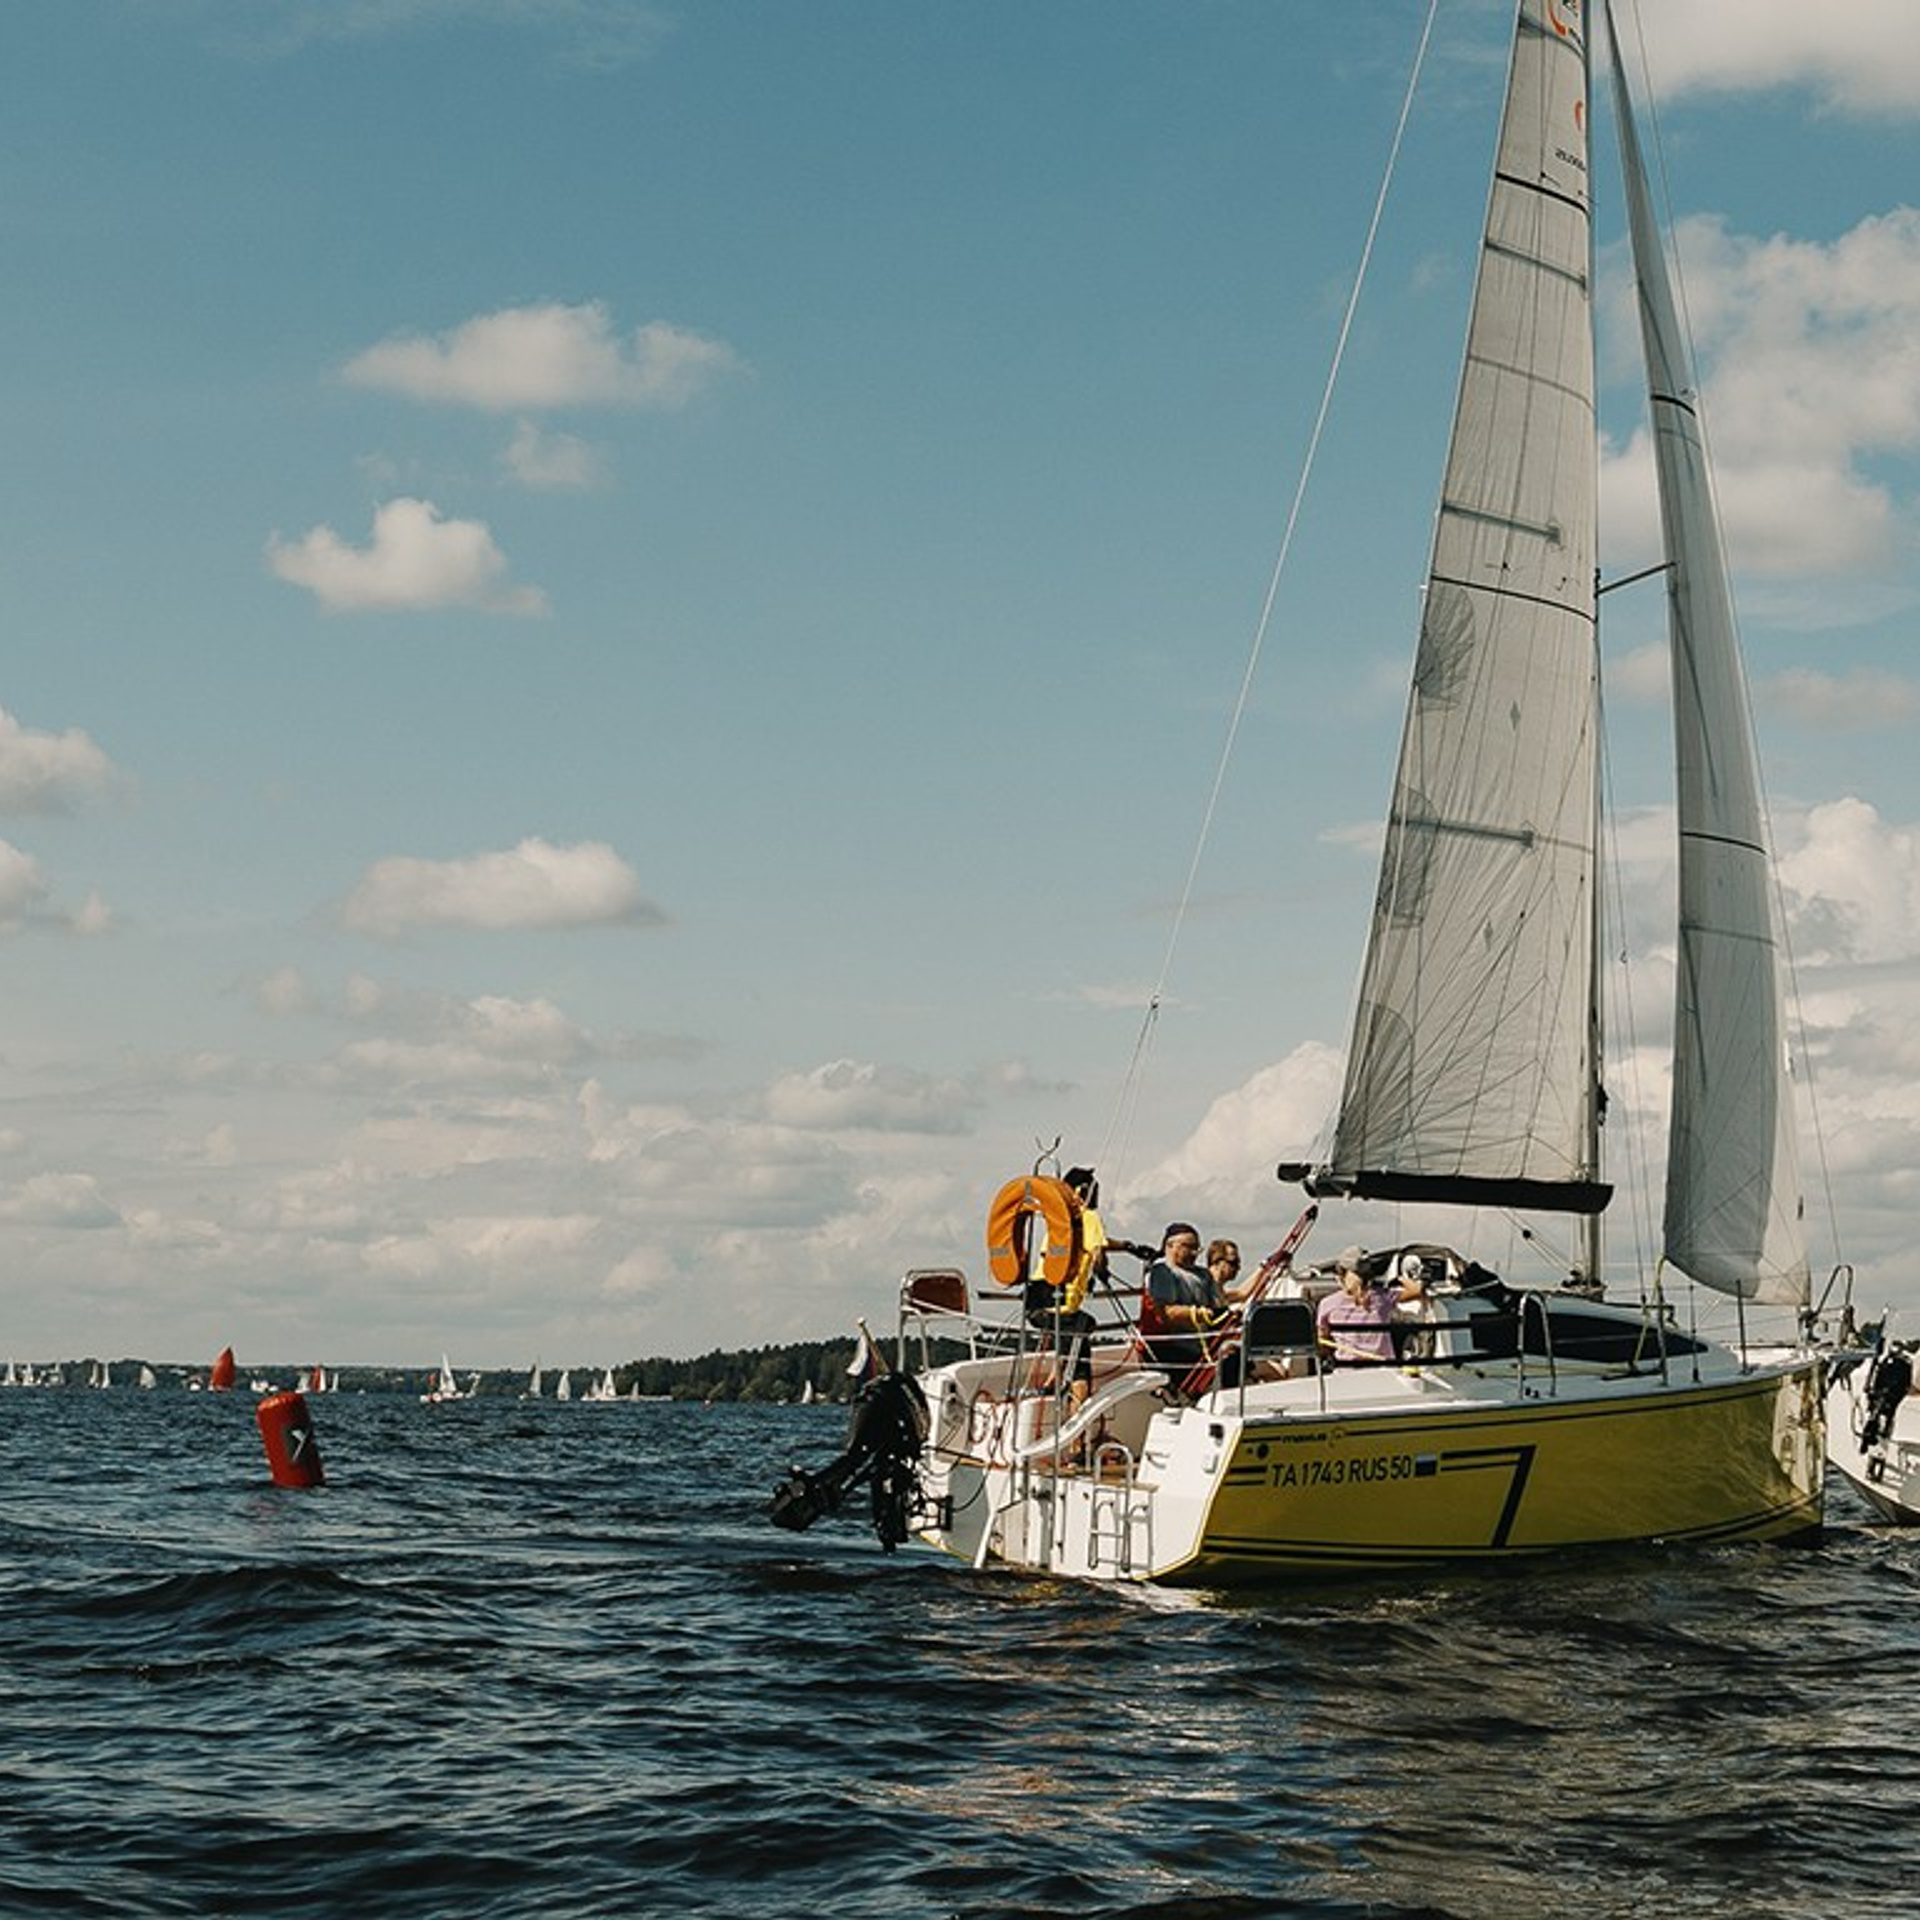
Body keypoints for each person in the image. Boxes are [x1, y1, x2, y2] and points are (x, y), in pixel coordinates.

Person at [1140, 1222, 1230, 1386]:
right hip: (1176, 1348)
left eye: (1197, 1248)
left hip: (1207, 1347)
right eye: (1189, 1247)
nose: (1194, 1253)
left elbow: (1219, 1307)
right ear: (1170, 1245)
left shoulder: (1203, 1274)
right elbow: (1165, 1312)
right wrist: (1197, 1314)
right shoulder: (1163, 1271)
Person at [1315, 1247, 1418, 1366]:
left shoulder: (1327, 1304)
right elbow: (1416, 1289)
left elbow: (1322, 1343)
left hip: (1346, 1371)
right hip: (1384, 1370)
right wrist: (1399, 1277)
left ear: (1341, 1273)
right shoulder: (1383, 1297)